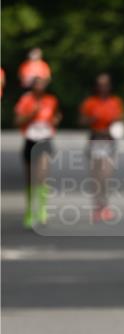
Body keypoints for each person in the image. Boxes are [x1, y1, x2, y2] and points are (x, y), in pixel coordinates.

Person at [14, 76, 61, 228]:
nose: (40, 87)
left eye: (42, 84)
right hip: (30, 140)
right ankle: (29, 210)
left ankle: (41, 210)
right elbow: (17, 121)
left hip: (45, 140)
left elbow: (56, 116)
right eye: (37, 85)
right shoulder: (26, 100)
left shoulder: (51, 100)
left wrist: (56, 120)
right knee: (30, 178)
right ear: (32, 86)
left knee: (42, 176)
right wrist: (31, 113)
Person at [79, 73, 124, 222]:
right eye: (100, 84)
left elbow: (122, 120)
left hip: (109, 142)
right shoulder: (90, 102)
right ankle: (96, 206)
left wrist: (116, 123)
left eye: (105, 84)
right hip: (95, 141)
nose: (103, 87)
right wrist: (92, 119)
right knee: (96, 176)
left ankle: (105, 205)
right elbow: (81, 120)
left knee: (106, 175)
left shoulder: (115, 102)